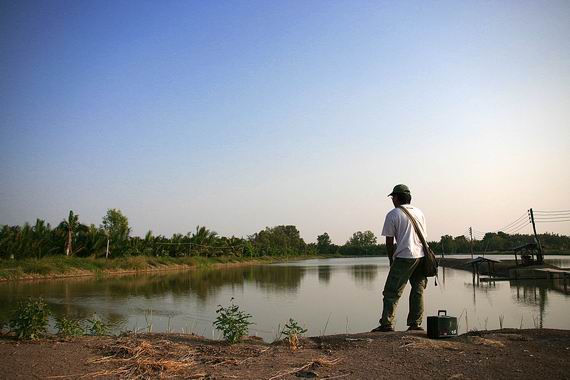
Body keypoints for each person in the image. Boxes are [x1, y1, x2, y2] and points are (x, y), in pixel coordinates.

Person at [372, 184, 428, 332]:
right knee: (418, 289)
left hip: (404, 255)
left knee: (391, 291)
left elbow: (389, 242)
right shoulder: (419, 212)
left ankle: (387, 324)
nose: (392, 200)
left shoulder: (393, 214)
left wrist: (391, 259)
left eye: (392, 197)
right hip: (421, 256)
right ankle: (415, 324)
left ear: (396, 197)